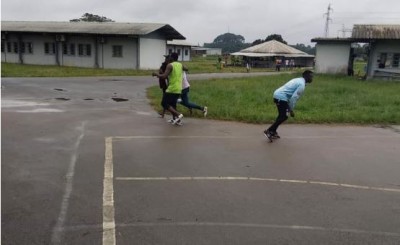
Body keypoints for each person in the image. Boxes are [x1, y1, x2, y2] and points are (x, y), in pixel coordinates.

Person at [264, 70, 313, 141]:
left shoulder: (298, 80)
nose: (312, 78)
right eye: (311, 76)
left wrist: (288, 108)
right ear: (306, 76)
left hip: (279, 95)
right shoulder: (301, 85)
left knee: (281, 115)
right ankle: (269, 130)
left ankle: (273, 131)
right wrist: (291, 110)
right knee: (284, 116)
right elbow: (294, 98)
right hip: (281, 97)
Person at [152, 52, 185, 125]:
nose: (168, 58)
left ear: (172, 58)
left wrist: (156, 74)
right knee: (173, 104)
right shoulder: (180, 64)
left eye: (170, 57)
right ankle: (177, 120)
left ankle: (178, 114)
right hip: (178, 88)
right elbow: (186, 68)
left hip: (172, 88)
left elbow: (164, 76)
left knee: (164, 103)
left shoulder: (170, 65)